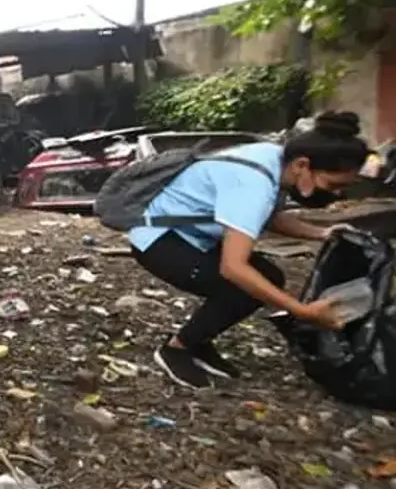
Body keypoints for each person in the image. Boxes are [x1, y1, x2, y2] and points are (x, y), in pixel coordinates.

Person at [130, 111, 369, 389]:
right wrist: (301, 311)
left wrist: (321, 233)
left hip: (192, 236)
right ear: (303, 165)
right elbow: (233, 267)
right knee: (240, 286)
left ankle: (198, 342)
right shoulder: (253, 183)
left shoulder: (276, 159)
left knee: (267, 276)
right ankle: (176, 350)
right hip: (159, 241)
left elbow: (270, 216)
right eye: (333, 185)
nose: (337, 194)